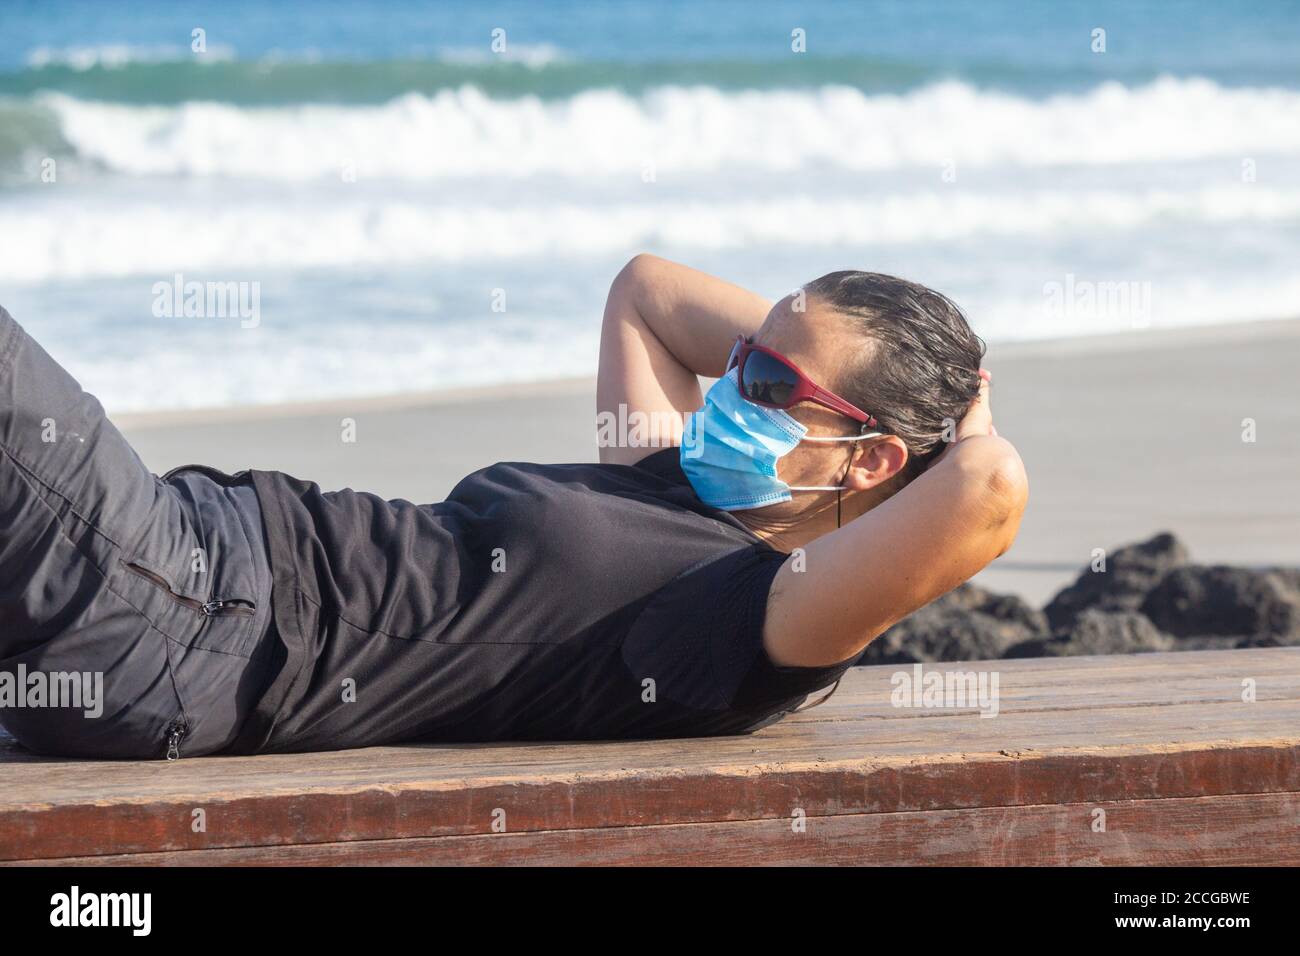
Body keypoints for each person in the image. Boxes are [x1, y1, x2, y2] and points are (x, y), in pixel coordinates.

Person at [0, 255, 1026, 759]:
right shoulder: (680, 478)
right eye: (740, 357)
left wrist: (965, 410)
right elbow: (647, 290)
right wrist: (784, 351)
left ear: (870, 458)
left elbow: (986, 491)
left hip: (193, 623)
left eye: (764, 382)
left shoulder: (744, 617)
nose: (725, 387)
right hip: (181, 555)